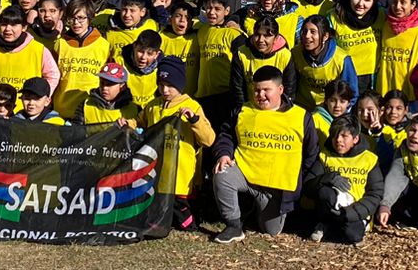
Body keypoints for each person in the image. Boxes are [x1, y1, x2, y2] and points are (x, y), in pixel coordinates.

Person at [210, 65, 323, 242]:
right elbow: (226, 135)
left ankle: (254, 209)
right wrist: (224, 153)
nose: (260, 95)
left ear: (280, 89)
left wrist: (298, 178)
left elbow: (311, 153)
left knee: (270, 230)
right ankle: (233, 225)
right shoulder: (242, 111)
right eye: (256, 90)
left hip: (276, 189)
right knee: (222, 174)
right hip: (245, 174)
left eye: (266, 90)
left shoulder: (301, 116)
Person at [137, 56, 214, 231]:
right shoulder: (153, 106)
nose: (164, 90)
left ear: (180, 84)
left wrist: (194, 121)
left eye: (170, 85)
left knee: (187, 225)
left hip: (182, 179)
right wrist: (129, 124)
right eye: (161, 84)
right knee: (155, 222)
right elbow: (139, 122)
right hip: (157, 179)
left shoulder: (192, 106)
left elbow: (208, 139)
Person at [310, 117, 383, 245]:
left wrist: (350, 213)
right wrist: (328, 178)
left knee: (353, 236)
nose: (338, 140)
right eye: (334, 136)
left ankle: (355, 225)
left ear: (355, 139)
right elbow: (308, 185)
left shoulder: (369, 159)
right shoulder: (324, 156)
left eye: (344, 136)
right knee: (325, 192)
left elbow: (375, 194)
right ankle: (326, 224)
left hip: (357, 211)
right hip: (330, 210)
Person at [0, 5, 60, 98]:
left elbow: (53, 75)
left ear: (24, 27)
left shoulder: (38, 50)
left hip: (26, 110)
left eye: (14, 25)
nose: (7, 29)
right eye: (4, 24)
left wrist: (40, 99)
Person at [55, 0, 110, 118]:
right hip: (62, 108)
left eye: (81, 18)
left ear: (90, 18)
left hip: (90, 109)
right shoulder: (60, 43)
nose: (76, 23)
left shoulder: (104, 45)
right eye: (72, 18)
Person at [229, 14, 295, 109]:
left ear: (276, 38)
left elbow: (289, 90)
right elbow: (237, 89)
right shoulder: (241, 53)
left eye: (267, 36)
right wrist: (244, 110)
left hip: (277, 112)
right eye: (257, 35)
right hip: (249, 110)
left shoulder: (285, 55)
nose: (261, 40)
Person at [295, 15, 358, 111]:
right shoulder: (295, 53)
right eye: (304, 31)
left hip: (328, 110)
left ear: (325, 36)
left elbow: (352, 93)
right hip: (302, 107)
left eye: (313, 32)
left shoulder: (341, 59)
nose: (307, 36)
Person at [331, 0, 380, 96]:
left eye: (367, 0)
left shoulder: (380, 16)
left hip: (372, 79)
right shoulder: (335, 16)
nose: (360, 4)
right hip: (346, 77)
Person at [77, 60, 136, 126]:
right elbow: (76, 132)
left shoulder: (134, 109)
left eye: (110, 84)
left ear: (122, 86)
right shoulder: (85, 104)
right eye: (102, 83)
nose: (104, 87)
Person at [104, 0, 154, 64]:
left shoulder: (151, 27)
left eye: (132, 11)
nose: (127, 15)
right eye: (124, 10)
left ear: (142, 12)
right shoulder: (110, 33)